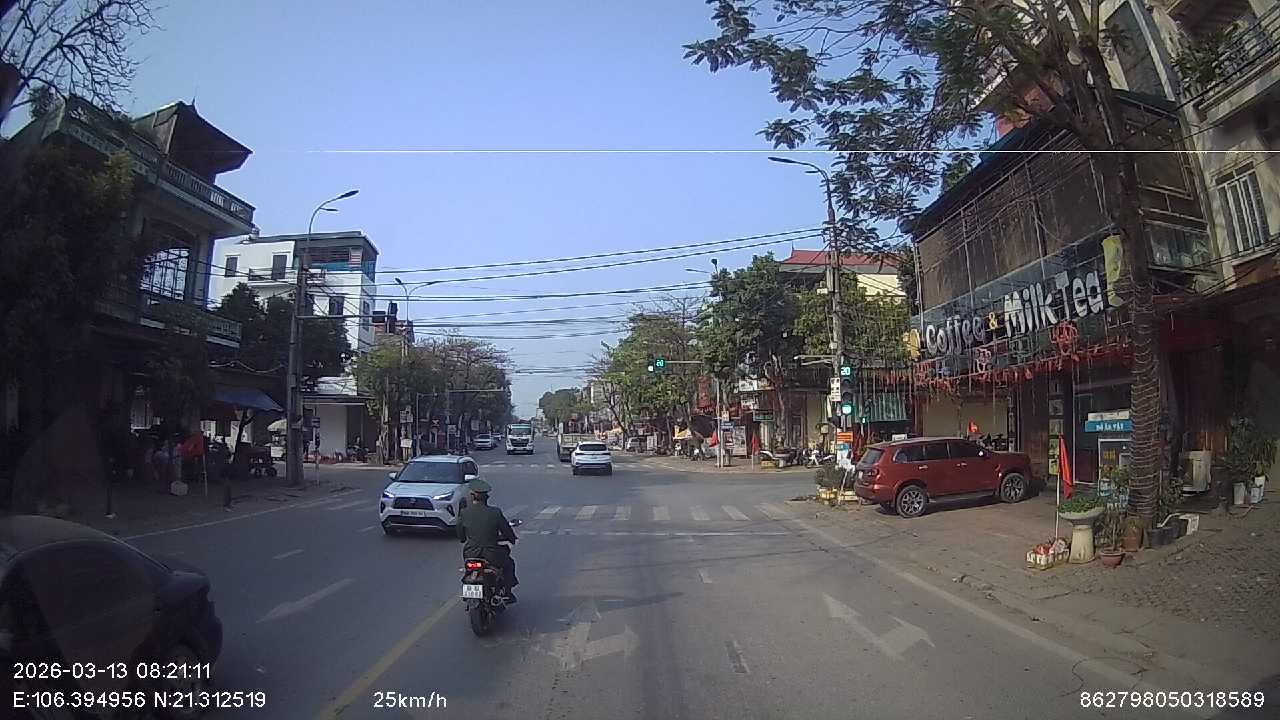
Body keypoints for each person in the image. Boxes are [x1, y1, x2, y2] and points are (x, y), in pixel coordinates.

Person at [455, 479, 519, 602]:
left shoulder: (464, 513)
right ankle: (507, 593)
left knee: (468, 571)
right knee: (509, 564)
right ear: (487, 498)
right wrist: (512, 539)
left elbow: (461, 536)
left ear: (472, 496)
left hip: (471, 554)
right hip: (492, 555)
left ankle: (469, 593)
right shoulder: (495, 512)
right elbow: (506, 531)